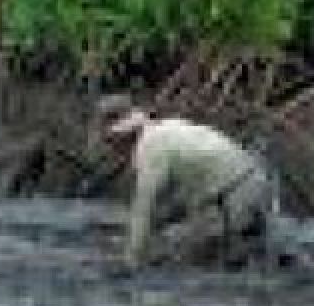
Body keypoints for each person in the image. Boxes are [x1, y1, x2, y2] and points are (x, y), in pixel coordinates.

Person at [107, 106, 275, 268]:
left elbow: (143, 210)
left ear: (126, 138)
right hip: (257, 183)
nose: (113, 150)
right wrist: (159, 224)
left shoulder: (149, 149)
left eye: (112, 142)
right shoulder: (169, 127)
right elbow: (185, 198)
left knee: (182, 261)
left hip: (233, 198)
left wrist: (131, 260)